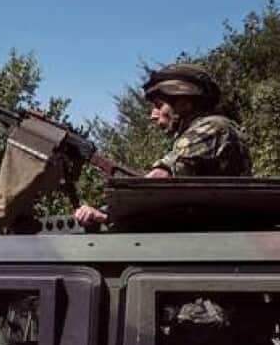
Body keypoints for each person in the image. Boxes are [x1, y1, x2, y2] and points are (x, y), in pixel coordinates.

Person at [73, 63, 251, 226]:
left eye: (159, 105)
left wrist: (105, 214)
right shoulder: (212, 129)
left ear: (184, 104)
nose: (153, 115)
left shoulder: (212, 128)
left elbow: (156, 183)